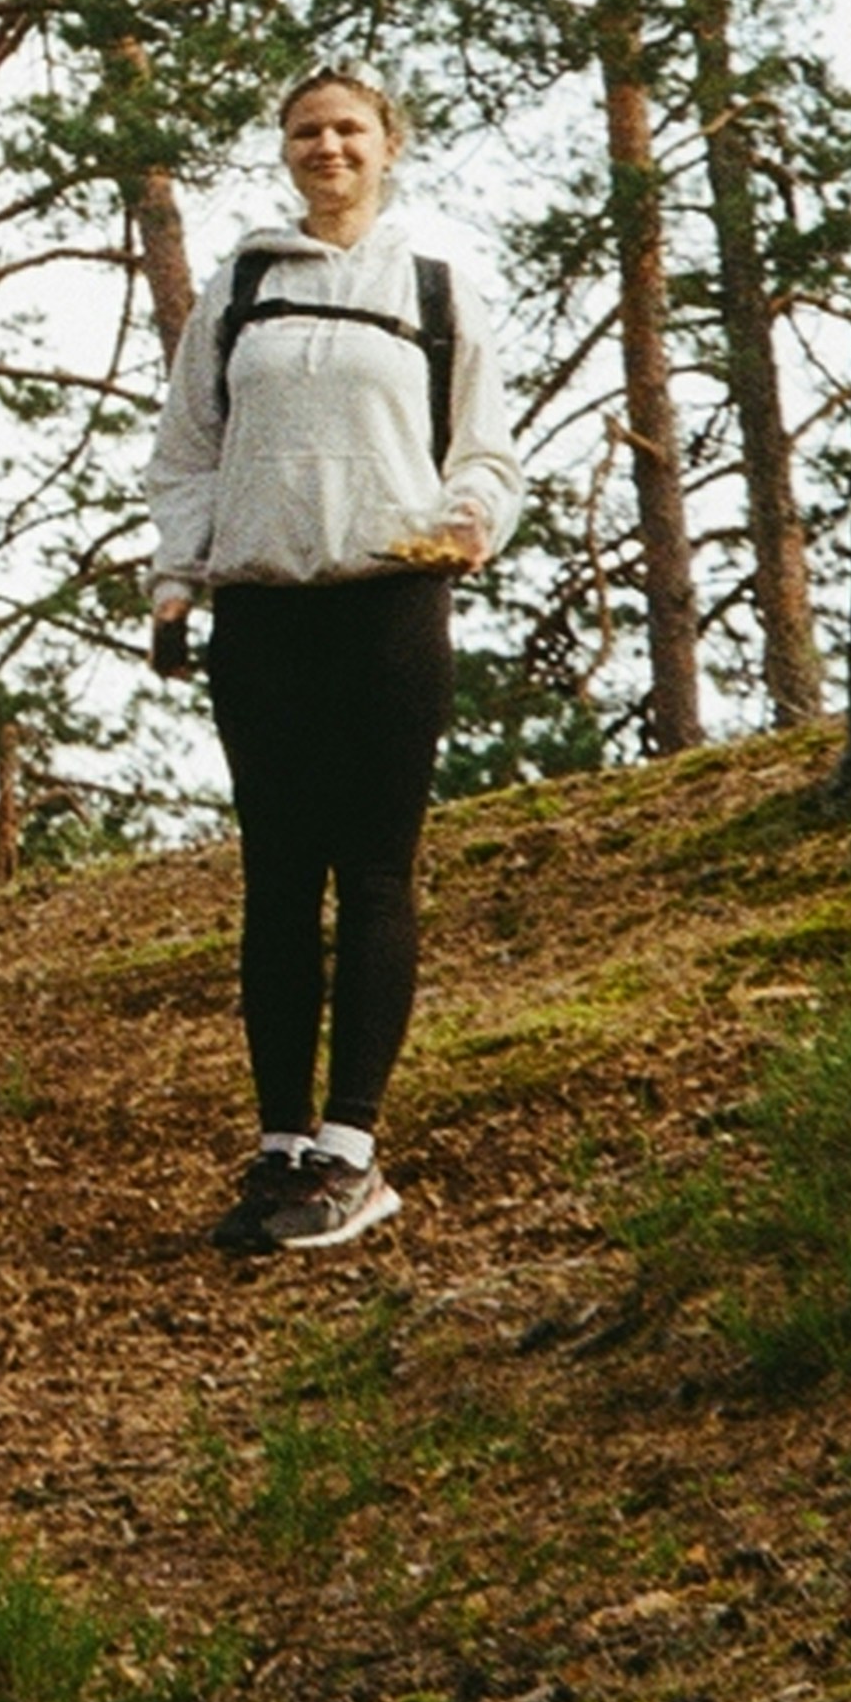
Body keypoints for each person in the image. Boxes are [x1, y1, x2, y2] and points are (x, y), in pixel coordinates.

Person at [145, 72, 521, 1257]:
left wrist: (467, 521)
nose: (328, 147)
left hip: (387, 607)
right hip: (262, 616)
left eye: (349, 129)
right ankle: (278, 1150)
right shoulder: (242, 286)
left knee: (370, 870)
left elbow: (486, 450)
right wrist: (174, 576)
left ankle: (352, 1152)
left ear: (388, 147)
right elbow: (186, 453)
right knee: (273, 879)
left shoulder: (435, 289)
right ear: (284, 151)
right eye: (307, 131)